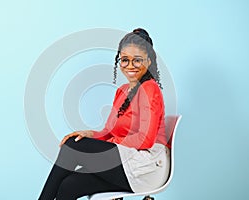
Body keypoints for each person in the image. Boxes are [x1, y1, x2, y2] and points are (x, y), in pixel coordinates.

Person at [38, 28, 170, 200]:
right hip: (126, 162)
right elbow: (110, 131)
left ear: (149, 61)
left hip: (147, 167)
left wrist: (112, 143)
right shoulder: (122, 91)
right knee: (68, 186)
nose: (130, 66)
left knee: (72, 145)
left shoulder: (150, 88)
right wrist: (90, 134)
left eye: (137, 60)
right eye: (125, 60)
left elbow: (146, 139)